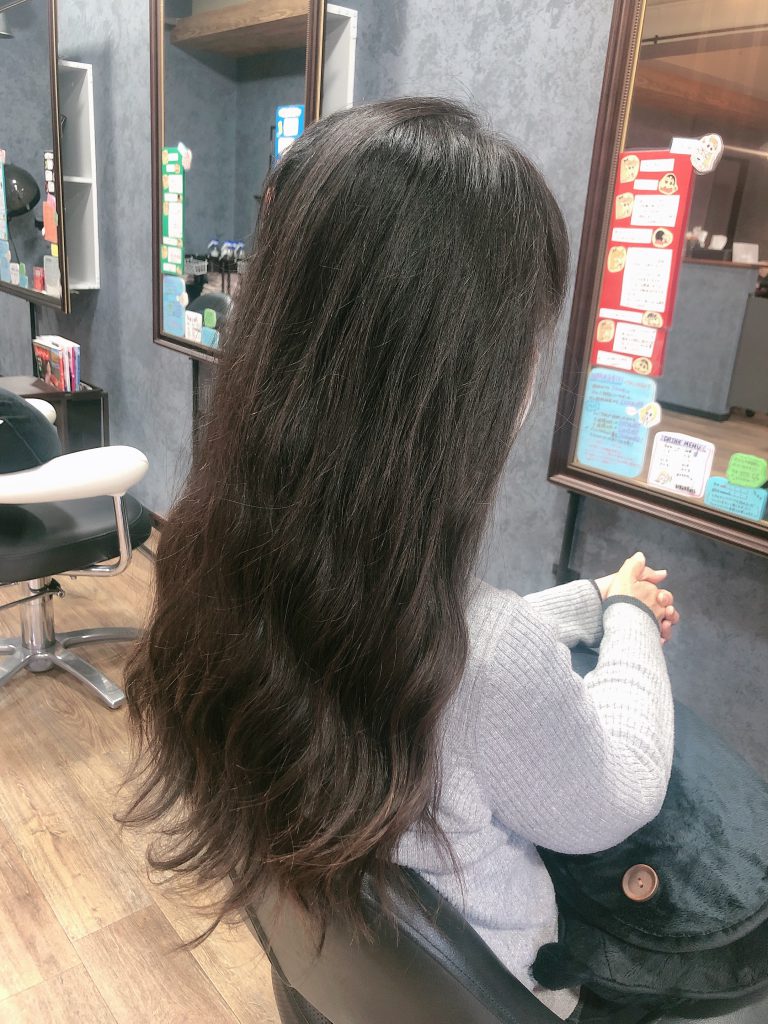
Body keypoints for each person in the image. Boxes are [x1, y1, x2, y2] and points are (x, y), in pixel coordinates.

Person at [123, 97, 678, 1021]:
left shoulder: (214, 555)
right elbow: (616, 794)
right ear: (463, 377)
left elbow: (421, 645)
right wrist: (630, 625)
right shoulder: (486, 655)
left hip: (333, 982)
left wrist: (588, 600)